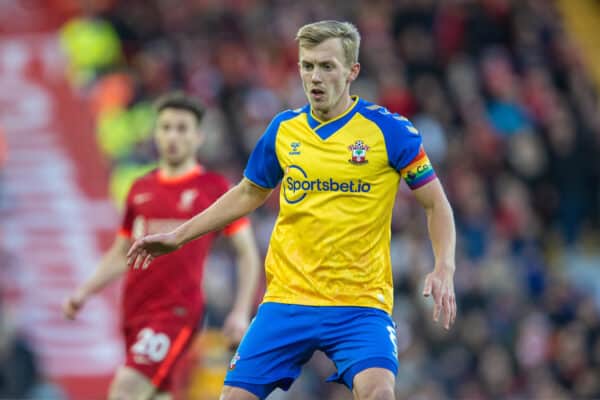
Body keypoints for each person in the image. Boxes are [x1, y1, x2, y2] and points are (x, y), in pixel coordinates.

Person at [128, 20, 457, 400]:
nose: (315, 77)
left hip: (360, 305)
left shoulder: (389, 131)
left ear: (352, 72)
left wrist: (443, 266)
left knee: (379, 392)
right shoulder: (284, 131)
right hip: (287, 299)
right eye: (307, 65)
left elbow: (436, 203)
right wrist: (177, 236)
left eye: (327, 66)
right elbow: (249, 192)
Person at [63, 93, 261, 400]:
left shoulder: (214, 188)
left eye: (182, 128)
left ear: (198, 137)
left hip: (176, 310)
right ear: (156, 133)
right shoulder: (140, 188)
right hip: (134, 310)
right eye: (166, 127)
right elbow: (121, 252)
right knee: (156, 395)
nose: (172, 136)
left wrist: (239, 311)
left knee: (126, 389)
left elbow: (246, 252)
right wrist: (84, 291)